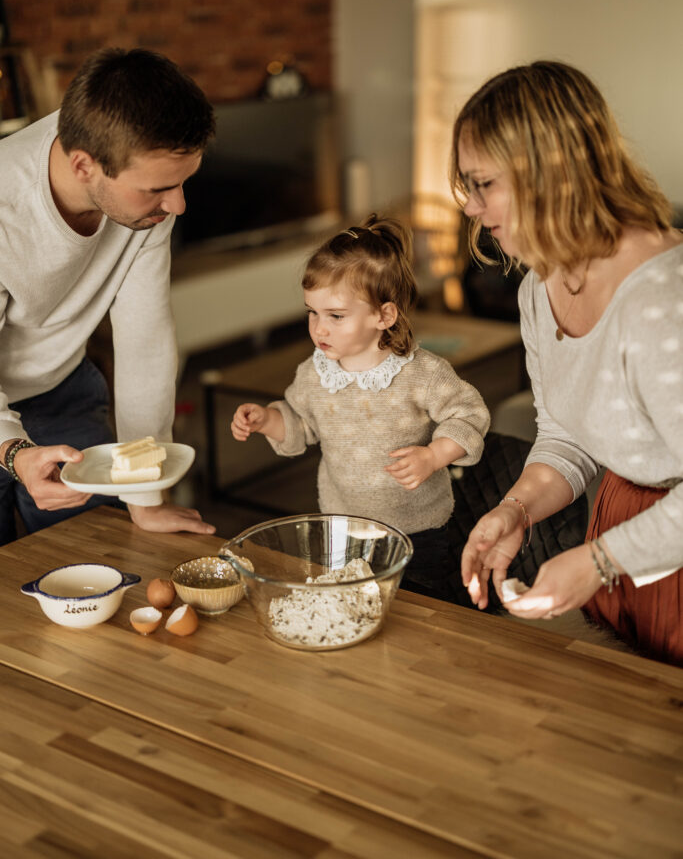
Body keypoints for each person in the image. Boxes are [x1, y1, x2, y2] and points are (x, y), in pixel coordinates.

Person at [452, 60, 682, 665]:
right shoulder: (539, 285)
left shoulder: (663, 298)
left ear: (547, 173)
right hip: (622, 528)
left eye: (483, 184)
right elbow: (565, 433)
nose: (472, 207)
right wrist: (516, 509)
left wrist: (601, 561)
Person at [0, 47, 217, 543]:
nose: (178, 205)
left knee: (93, 560)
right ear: (83, 166)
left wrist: (145, 497)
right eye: (159, 189)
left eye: (184, 183)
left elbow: (145, 341)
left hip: (61, 386)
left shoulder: (145, 201)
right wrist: (13, 450)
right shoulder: (4, 206)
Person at [230, 214, 490, 596]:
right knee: (350, 601)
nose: (320, 328)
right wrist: (267, 419)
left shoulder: (421, 373)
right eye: (312, 312)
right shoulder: (314, 373)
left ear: (384, 315)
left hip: (419, 530)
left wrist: (434, 455)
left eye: (336, 316)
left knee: (423, 610)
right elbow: (300, 423)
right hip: (343, 527)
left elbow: (469, 414)